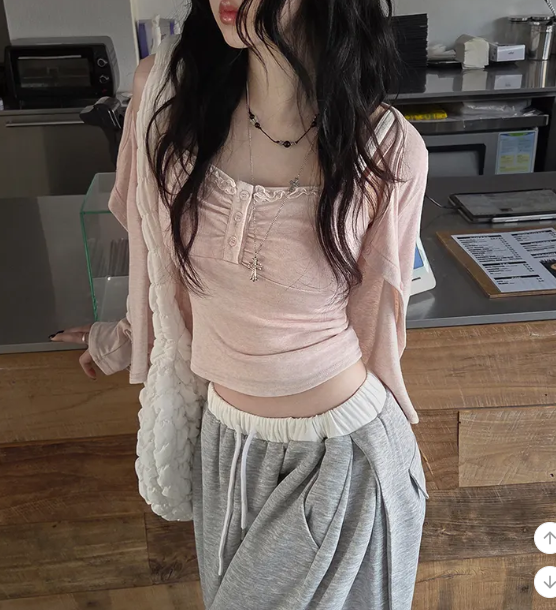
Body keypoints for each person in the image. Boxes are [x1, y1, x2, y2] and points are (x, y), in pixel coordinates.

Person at [52, 0, 430, 607]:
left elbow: (375, 325)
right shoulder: (167, 102)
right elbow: (157, 262)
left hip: (342, 454)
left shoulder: (387, 148)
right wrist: (122, 338)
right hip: (226, 446)